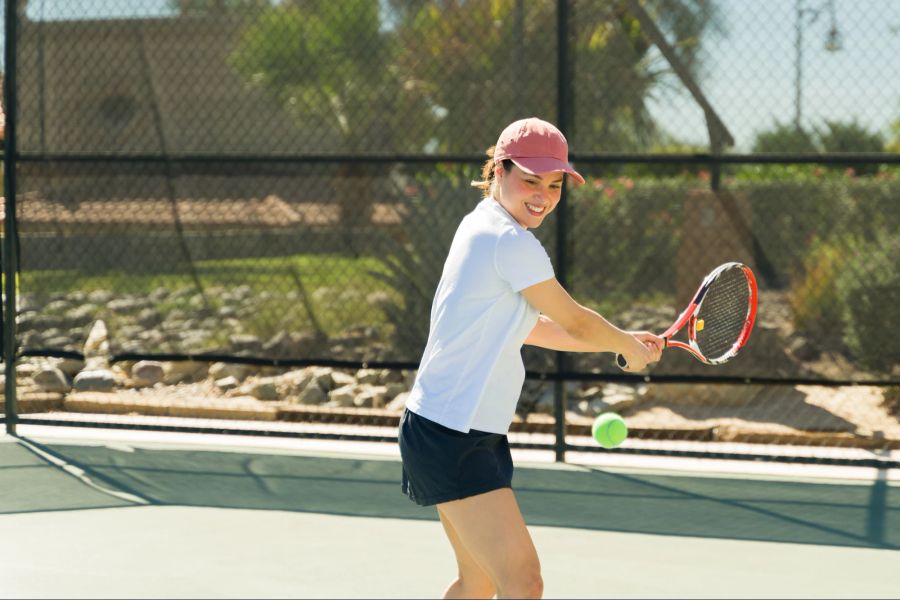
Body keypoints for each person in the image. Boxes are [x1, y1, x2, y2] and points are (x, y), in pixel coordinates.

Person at [398, 117, 663, 599]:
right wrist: (622, 343)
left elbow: (534, 327)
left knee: (476, 583)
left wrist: (622, 340)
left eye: (555, 183)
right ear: (499, 170)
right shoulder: (509, 241)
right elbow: (578, 320)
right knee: (523, 581)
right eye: (531, 180)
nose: (544, 194)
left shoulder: (481, 223)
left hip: (452, 428)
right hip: (451, 433)